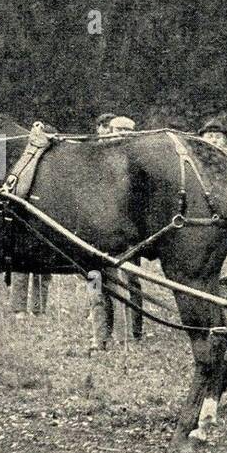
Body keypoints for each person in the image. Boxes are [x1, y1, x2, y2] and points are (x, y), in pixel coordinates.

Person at [89, 113, 143, 348]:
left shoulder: (138, 164)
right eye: (117, 131)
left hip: (128, 234)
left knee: (129, 283)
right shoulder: (97, 160)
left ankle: (132, 333)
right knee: (95, 283)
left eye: (126, 132)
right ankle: (100, 336)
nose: (121, 136)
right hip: (97, 232)